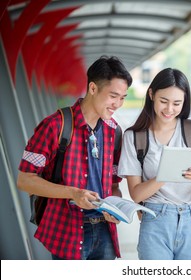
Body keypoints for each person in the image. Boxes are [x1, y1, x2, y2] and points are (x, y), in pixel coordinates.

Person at [17, 55, 133, 260]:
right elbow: (25, 180)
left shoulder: (114, 132)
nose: (118, 104)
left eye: (123, 97)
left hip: (105, 232)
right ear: (93, 88)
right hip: (67, 230)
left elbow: (114, 185)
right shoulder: (55, 126)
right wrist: (73, 193)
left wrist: (116, 207)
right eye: (113, 95)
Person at [118, 68, 191, 260]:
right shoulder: (134, 137)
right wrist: (164, 175)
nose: (169, 109)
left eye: (177, 103)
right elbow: (136, 194)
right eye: (164, 101)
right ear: (151, 94)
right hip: (155, 220)